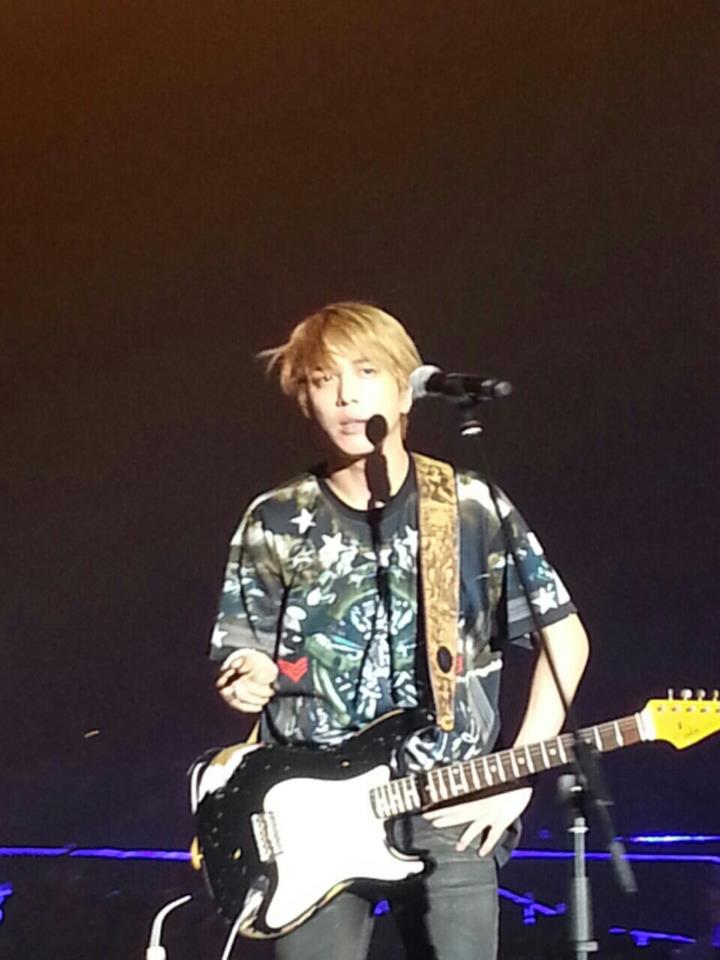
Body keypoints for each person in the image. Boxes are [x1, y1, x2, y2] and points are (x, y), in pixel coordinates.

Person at [208, 302, 590, 960]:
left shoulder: (470, 506)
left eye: (366, 372)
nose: (346, 395)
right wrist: (248, 676)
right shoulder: (274, 518)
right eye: (324, 379)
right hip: (308, 815)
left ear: (406, 389)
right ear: (304, 399)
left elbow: (566, 640)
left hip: (448, 805)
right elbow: (248, 650)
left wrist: (515, 775)